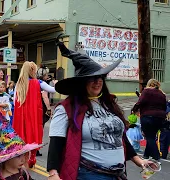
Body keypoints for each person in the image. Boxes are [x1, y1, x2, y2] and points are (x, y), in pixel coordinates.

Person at [47, 36, 157, 180]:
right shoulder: (66, 108)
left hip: (118, 174)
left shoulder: (109, 104)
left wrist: (139, 161)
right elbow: (56, 142)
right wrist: (53, 174)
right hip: (88, 174)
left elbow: (120, 138)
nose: (98, 82)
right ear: (81, 82)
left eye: (100, 78)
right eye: (92, 78)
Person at [13, 61, 56, 168]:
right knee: (33, 134)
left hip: (21, 116)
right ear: (32, 71)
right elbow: (53, 90)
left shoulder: (19, 84)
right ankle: (32, 157)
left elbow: (14, 101)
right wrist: (55, 84)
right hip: (33, 115)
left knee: (22, 136)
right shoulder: (38, 83)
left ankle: (23, 158)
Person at [0, 112, 43, 180]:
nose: (22, 159)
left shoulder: (22, 171)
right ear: (7, 158)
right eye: (18, 156)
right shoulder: (4, 177)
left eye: (23, 154)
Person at [132, 79, 167, 163]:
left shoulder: (146, 91)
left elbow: (140, 102)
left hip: (148, 116)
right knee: (152, 135)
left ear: (149, 84)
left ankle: (156, 157)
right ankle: (146, 155)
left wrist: (134, 109)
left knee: (149, 137)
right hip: (160, 117)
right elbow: (164, 107)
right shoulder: (162, 94)